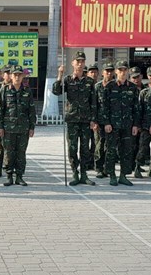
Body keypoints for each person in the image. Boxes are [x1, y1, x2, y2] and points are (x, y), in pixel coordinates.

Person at [52, 51, 97, 186]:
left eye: (82, 61)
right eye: (77, 61)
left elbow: (93, 102)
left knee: (85, 149)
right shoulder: (67, 80)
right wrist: (60, 75)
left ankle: (84, 174)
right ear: (72, 63)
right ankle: (75, 173)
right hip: (72, 119)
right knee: (72, 148)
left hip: (85, 120)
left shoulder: (89, 81)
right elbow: (56, 91)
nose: (80, 64)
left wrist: (93, 120)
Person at [101, 60, 140, 186]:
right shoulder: (109, 87)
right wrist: (106, 122)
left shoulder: (133, 88)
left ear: (128, 71)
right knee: (111, 151)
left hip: (127, 125)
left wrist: (135, 125)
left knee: (127, 151)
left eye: (125, 70)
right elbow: (104, 107)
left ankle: (123, 175)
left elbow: (136, 108)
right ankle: (112, 175)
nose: (123, 72)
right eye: (120, 70)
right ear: (116, 71)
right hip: (112, 125)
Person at [0, 65, 36, 186]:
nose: (17, 77)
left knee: (21, 153)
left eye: (20, 75)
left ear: (23, 76)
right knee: (9, 153)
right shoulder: (4, 90)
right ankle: (9, 176)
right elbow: (0, 110)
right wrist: (0, 127)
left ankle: (19, 176)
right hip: (8, 128)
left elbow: (32, 111)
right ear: (11, 76)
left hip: (23, 128)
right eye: (15, 75)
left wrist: (32, 127)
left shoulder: (27, 91)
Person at [94, 62, 114, 178]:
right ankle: (99, 168)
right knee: (100, 145)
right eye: (107, 71)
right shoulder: (98, 87)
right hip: (100, 122)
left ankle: (108, 168)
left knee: (110, 146)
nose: (109, 73)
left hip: (113, 121)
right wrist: (95, 121)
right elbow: (94, 105)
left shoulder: (116, 86)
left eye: (111, 71)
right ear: (103, 73)